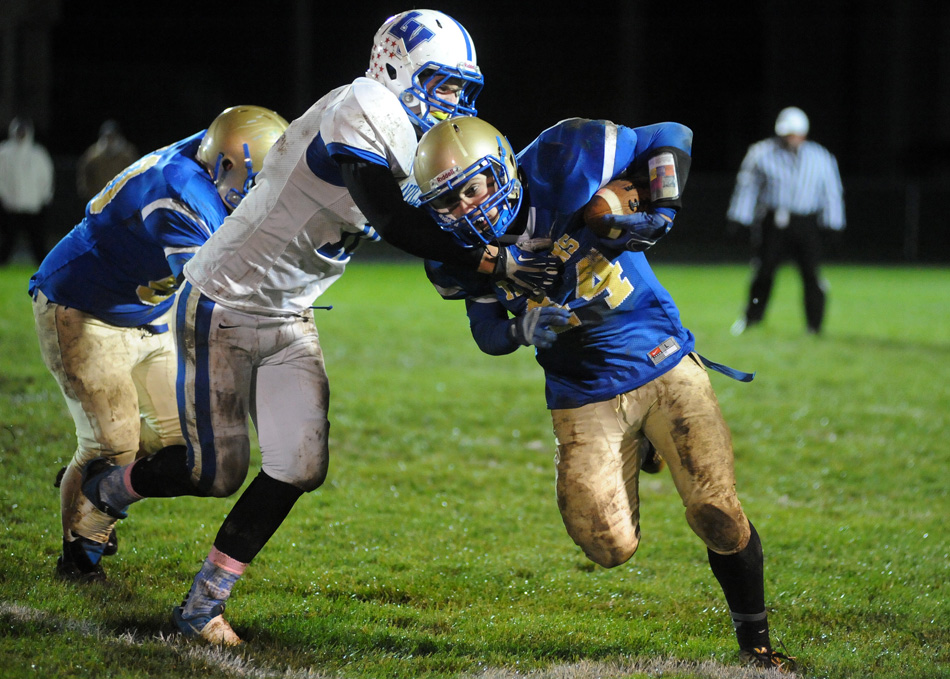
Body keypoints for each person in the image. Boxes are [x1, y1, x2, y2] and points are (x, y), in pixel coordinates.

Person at [76, 9, 559, 646]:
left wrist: (511, 267)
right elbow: (391, 219)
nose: (453, 102)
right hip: (223, 298)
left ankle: (201, 606)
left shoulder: (414, 141)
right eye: (442, 83)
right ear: (394, 65)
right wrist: (494, 261)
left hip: (290, 312)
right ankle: (110, 487)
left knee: (299, 464)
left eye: (462, 89)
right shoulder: (362, 104)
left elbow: (443, 224)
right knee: (212, 474)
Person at [412, 116, 796, 672]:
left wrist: (661, 211)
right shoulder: (456, 251)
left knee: (716, 511)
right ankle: (641, 447)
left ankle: (756, 644)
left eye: (472, 187)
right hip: (582, 390)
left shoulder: (561, 164)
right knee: (607, 545)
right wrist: (521, 328)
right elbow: (485, 332)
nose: (465, 209)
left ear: (502, 168)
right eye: (447, 201)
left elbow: (674, 133)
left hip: (658, 358)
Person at [30, 105, 289, 583]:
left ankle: (96, 478)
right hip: (84, 308)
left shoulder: (218, 150)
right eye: (255, 184)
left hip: (148, 311)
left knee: (184, 443)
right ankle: (79, 554)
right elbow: (211, 300)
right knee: (113, 443)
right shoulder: (182, 194)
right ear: (226, 166)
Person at [726, 106, 845, 336]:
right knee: (763, 273)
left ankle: (814, 327)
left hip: (807, 223)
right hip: (773, 222)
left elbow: (831, 192)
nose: (791, 139)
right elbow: (747, 188)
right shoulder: (761, 153)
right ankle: (752, 319)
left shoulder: (821, 157)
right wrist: (739, 219)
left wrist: (834, 225)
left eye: (795, 134)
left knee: (812, 275)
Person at [0, 117, 55, 265]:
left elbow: (47, 177)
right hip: (11, 206)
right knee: (7, 240)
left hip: (33, 206)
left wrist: (45, 197)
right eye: (19, 131)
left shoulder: (38, 153)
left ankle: (44, 267)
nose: (21, 134)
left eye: (24, 131)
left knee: (38, 241)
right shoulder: (4, 152)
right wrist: (5, 197)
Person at [76, 119, 140, 204]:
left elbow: (136, 175)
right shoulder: (93, 155)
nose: (109, 140)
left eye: (112, 137)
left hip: (123, 200)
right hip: (100, 201)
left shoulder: (127, 154)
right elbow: (84, 178)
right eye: (107, 137)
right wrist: (91, 196)